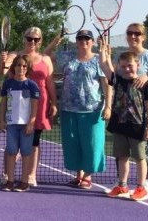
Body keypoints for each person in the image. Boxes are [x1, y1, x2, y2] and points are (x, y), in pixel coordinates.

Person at [45, 29, 112, 189]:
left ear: (92, 42)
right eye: (80, 38)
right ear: (76, 41)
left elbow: (107, 84)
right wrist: (57, 39)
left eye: (87, 39)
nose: (84, 41)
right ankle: (79, 175)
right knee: (73, 144)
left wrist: (108, 106)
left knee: (92, 144)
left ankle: (88, 176)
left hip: (93, 110)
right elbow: (46, 55)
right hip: (68, 109)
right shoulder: (67, 57)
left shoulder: (99, 60)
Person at [0, 27, 58, 186]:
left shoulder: (45, 59)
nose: (32, 42)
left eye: (36, 39)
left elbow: (50, 83)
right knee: (12, 143)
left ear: (40, 41)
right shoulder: (14, 55)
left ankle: (31, 175)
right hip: (17, 105)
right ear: (24, 38)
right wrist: (3, 61)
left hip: (38, 103)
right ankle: (7, 174)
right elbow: (3, 73)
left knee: (34, 141)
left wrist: (54, 103)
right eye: (29, 38)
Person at [100, 46, 148, 202]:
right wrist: (103, 50)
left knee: (140, 158)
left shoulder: (144, 84)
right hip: (119, 125)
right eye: (123, 66)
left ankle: (141, 188)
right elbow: (104, 65)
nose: (126, 69)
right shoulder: (117, 80)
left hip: (137, 127)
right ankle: (122, 186)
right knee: (122, 157)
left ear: (137, 64)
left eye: (129, 65)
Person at [123, 22, 148, 196]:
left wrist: (146, 77)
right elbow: (116, 77)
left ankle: (145, 181)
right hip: (123, 111)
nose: (133, 36)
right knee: (123, 150)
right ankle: (121, 183)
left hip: (142, 111)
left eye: (137, 34)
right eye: (130, 33)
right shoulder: (122, 55)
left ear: (143, 37)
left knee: (142, 149)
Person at [0, 54, 39, 192]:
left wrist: (31, 123)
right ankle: (10, 181)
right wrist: (2, 120)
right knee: (11, 152)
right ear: (14, 67)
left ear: (27, 69)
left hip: (26, 125)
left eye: (24, 66)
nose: (20, 68)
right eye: (18, 65)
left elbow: (34, 107)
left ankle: (24, 182)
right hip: (11, 124)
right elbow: (3, 103)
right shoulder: (8, 84)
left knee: (26, 153)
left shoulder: (32, 85)